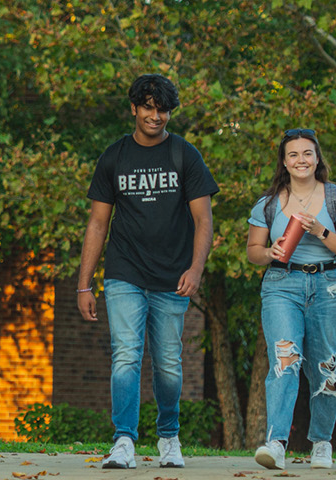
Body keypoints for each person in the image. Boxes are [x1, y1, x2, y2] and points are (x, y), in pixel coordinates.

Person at [75, 73, 218, 470]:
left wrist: (196, 268)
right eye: (149, 107)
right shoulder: (115, 157)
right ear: (134, 108)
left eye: (164, 109)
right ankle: (123, 441)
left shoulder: (185, 155)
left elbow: (204, 220)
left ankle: (169, 437)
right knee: (126, 354)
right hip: (124, 271)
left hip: (173, 275)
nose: (156, 116)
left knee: (169, 362)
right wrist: (83, 284)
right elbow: (98, 224)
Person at [242, 129, 336, 469]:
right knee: (284, 359)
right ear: (284, 161)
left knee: (326, 365)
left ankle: (321, 442)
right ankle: (276, 442)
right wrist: (270, 252)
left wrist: (320, 231)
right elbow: (253, 252)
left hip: (327, 284)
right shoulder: (268, 204)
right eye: (293, 155)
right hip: (282, 283)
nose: (301, 160)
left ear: (317, 158)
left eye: (307, 153)